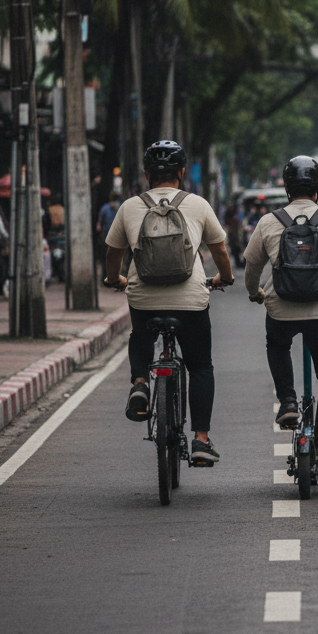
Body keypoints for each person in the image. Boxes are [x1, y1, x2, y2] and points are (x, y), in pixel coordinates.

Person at [103, 140, 234, 465]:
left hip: (143, 296)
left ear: (147, 173)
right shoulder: (198, 204)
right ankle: (201, 440)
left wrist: (113, 279)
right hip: (190, 299)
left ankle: (139, 383)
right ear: (182, 172)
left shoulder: (130, 207)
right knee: (200, 365)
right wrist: (225, 277)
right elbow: (219, 250)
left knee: (140, 335)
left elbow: (113, 254)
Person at [244, 155, 318, 472]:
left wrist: (255, 292)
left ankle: (288, 402)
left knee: (278, 345)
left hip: (281, 309)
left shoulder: (270, 222)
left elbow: (252, 265)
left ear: (285, 187)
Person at [97, 192, 121, 263]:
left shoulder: (104, 208)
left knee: (106, 255)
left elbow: (98, 226)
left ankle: (105, 272)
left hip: (107, 235)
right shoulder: (120, 208)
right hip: (117, 236)